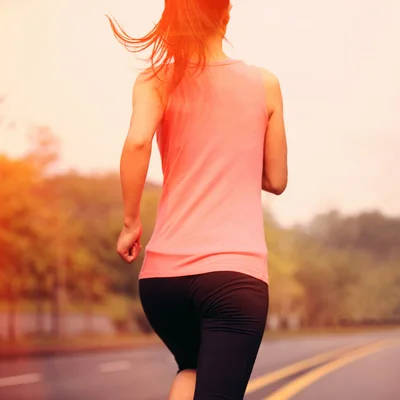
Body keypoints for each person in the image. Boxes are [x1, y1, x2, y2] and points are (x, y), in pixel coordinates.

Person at [110, 1, 288, 399]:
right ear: (225, 15)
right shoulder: (265, 84)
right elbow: (276, 180)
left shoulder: (154, 79)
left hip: (162, 281)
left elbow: (138, 141)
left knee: (191, 370)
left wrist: (130, 223)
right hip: (232, 278)